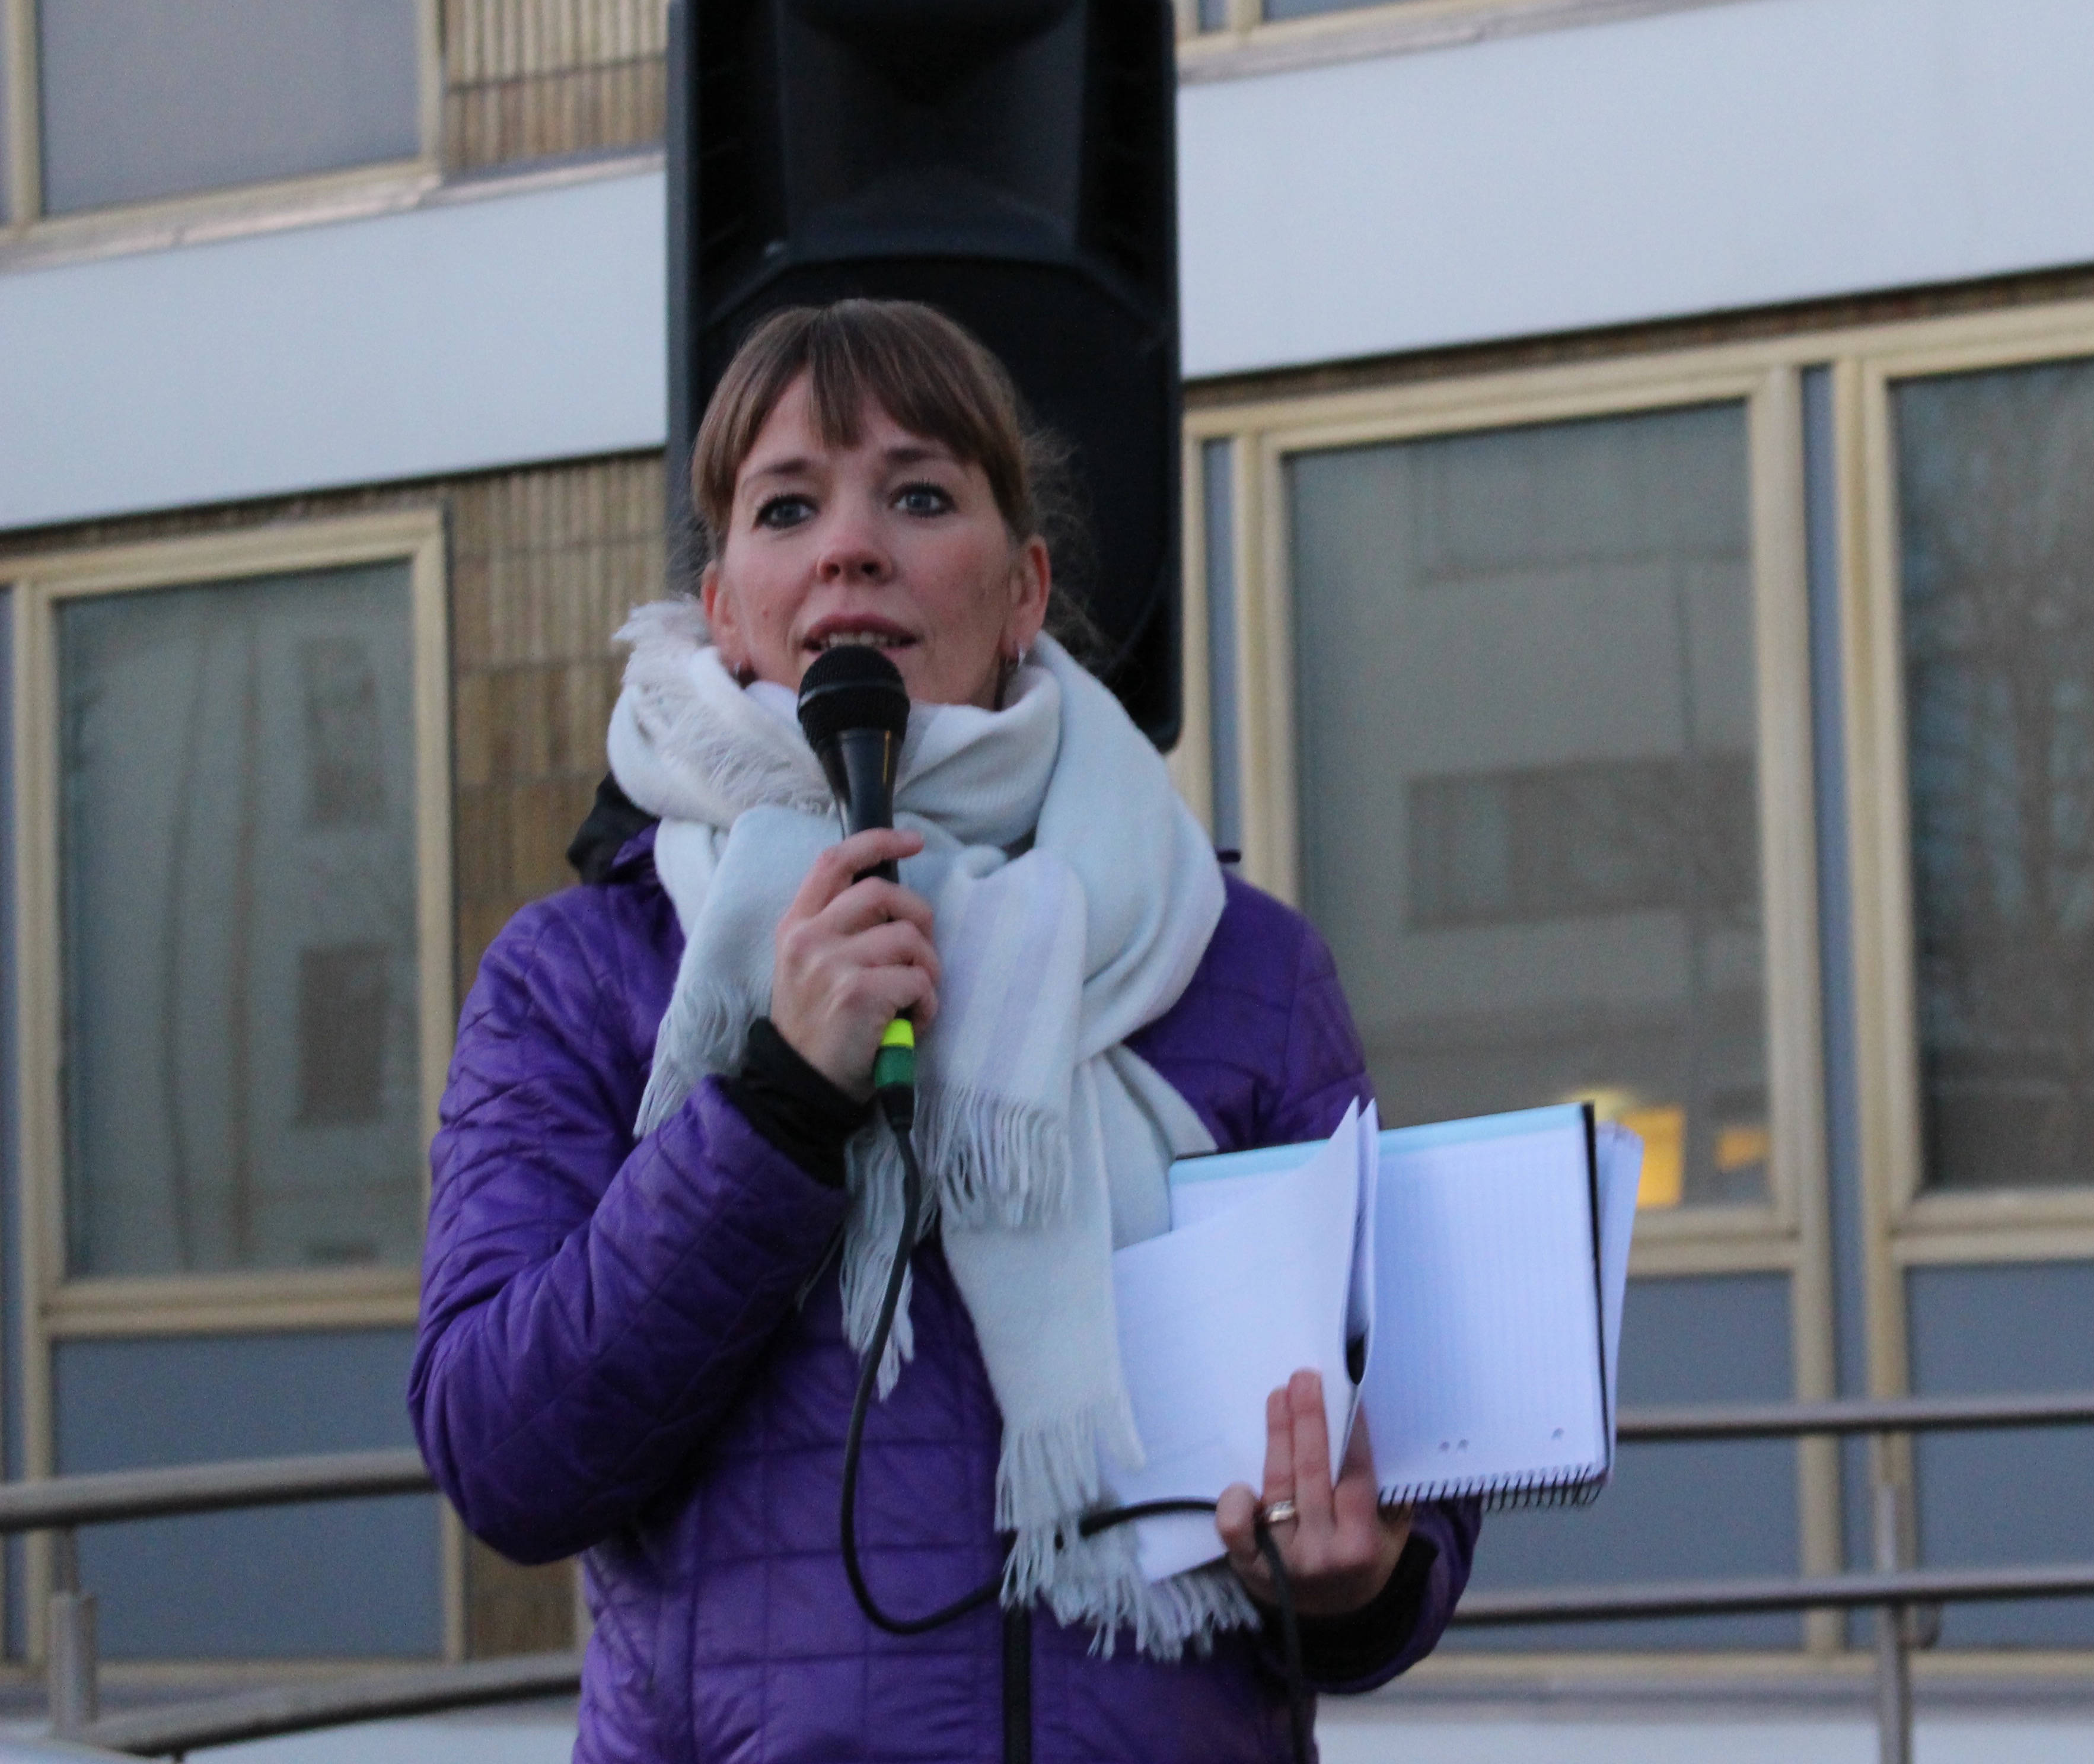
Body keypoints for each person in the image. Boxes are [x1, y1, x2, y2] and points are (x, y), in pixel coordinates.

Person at [410, 298, 1475, 1763]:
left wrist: (1364, 1578)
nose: (853, 543)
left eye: (919, 494)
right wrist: (774, 1107)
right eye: (790, 505)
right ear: (725, 603)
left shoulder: (1240, 967)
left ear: (1025, 590)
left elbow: (1403, 1458)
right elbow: (506, 1457)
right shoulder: (581, 976)